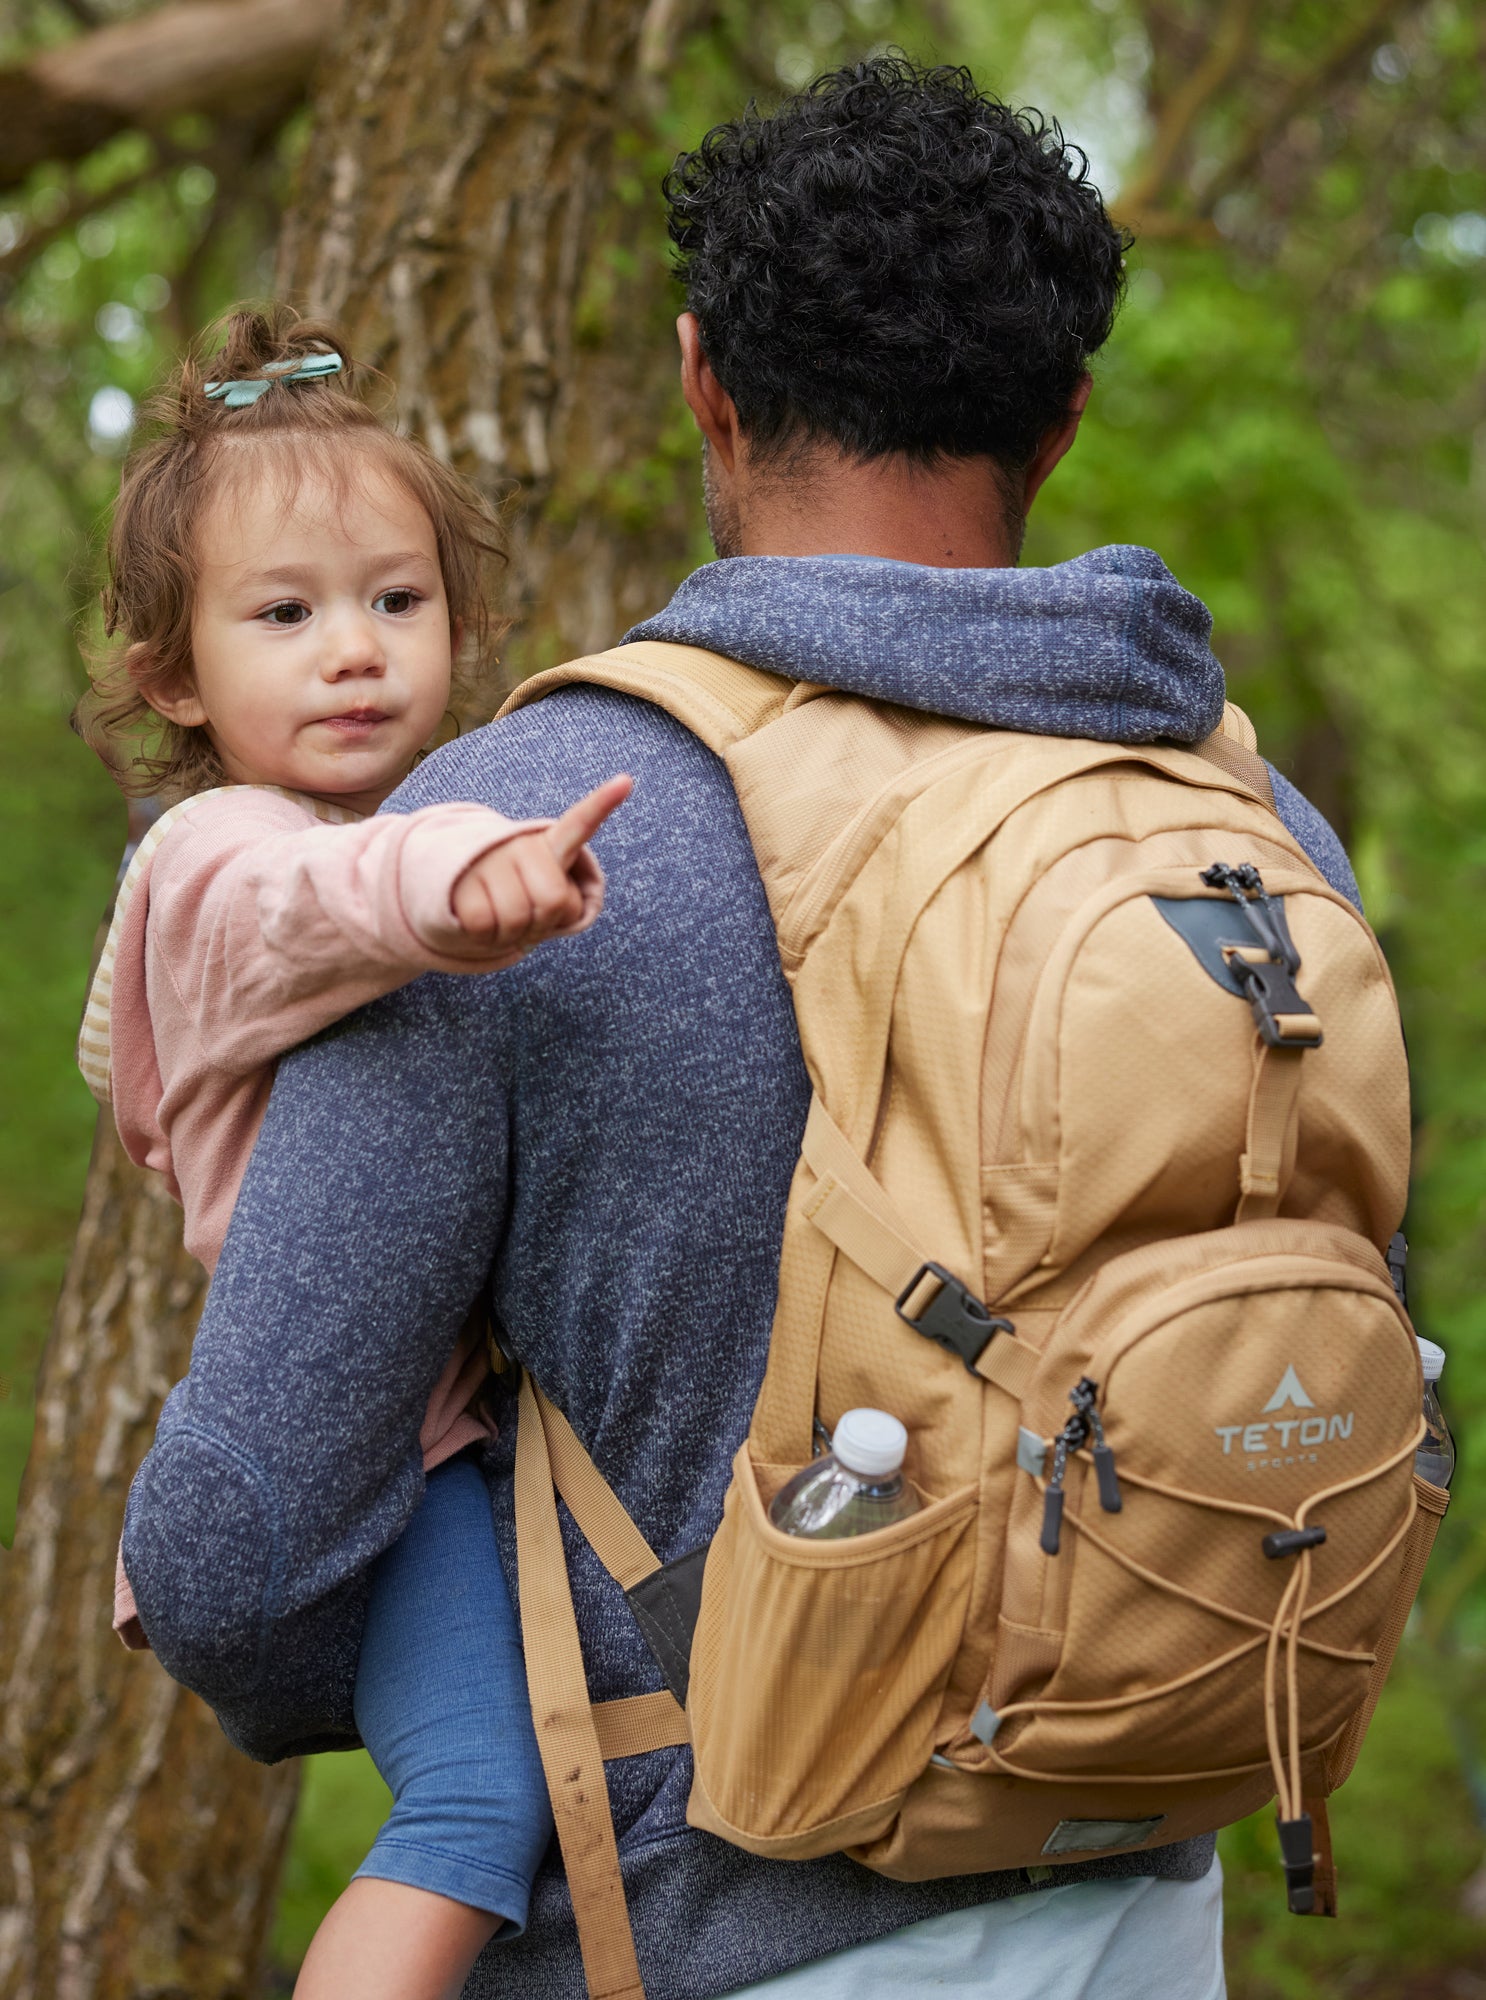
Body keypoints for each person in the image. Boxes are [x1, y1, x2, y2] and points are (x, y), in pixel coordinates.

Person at [121, 60, 1361, 2000]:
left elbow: (239, 1536)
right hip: (1147, 1885)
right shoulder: (1249, 826)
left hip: (707, 1931)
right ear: (1062, 412)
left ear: (701, 377)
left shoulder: (512, 846)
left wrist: (449, 1680)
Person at [73, 307, 631, 2000]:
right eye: (287, 614)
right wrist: (465, 885)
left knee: (525, 1795)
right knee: (476, 1801)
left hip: (453, 1434)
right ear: (174, 675)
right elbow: (309, 903)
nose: (355, 651)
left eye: (397, 601)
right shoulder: (218, 856)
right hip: (360, 1434)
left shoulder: (358, 831)